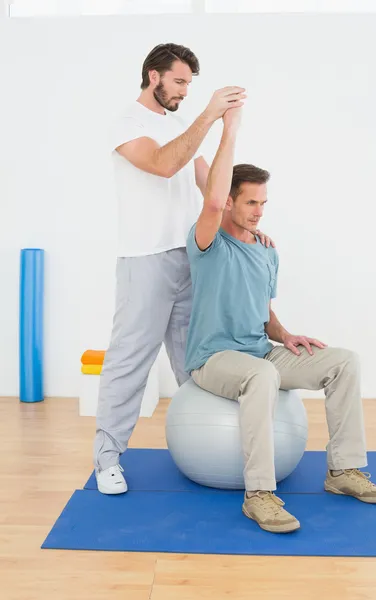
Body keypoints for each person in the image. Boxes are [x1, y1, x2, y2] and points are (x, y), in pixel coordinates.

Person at [185, 105, 376, 534]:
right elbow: (207, 187)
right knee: (261, 374)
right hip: (214, 358)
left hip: (260, 351)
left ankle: (343, 471)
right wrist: (223, 127)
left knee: (344, 360)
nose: (260, 211)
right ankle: (258, 495)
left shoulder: (266, 249)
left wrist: (285, 334)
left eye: (263, 202)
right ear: (228, 200)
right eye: (250, 202)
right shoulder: (208, 243)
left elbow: (261, 310)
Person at [94, 43, 273, 494]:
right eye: (178, 82)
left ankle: (206, 445)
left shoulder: (177, 124)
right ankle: (107, 458)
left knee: (196, 361)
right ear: (153, 76)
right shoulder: (127, 124)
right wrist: (210, 115)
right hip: (145, 258)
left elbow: (208, 183)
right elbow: (163, 163)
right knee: (130, 361)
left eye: (190, 85)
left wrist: (245, 227)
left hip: (190, 256)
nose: (184, 91)